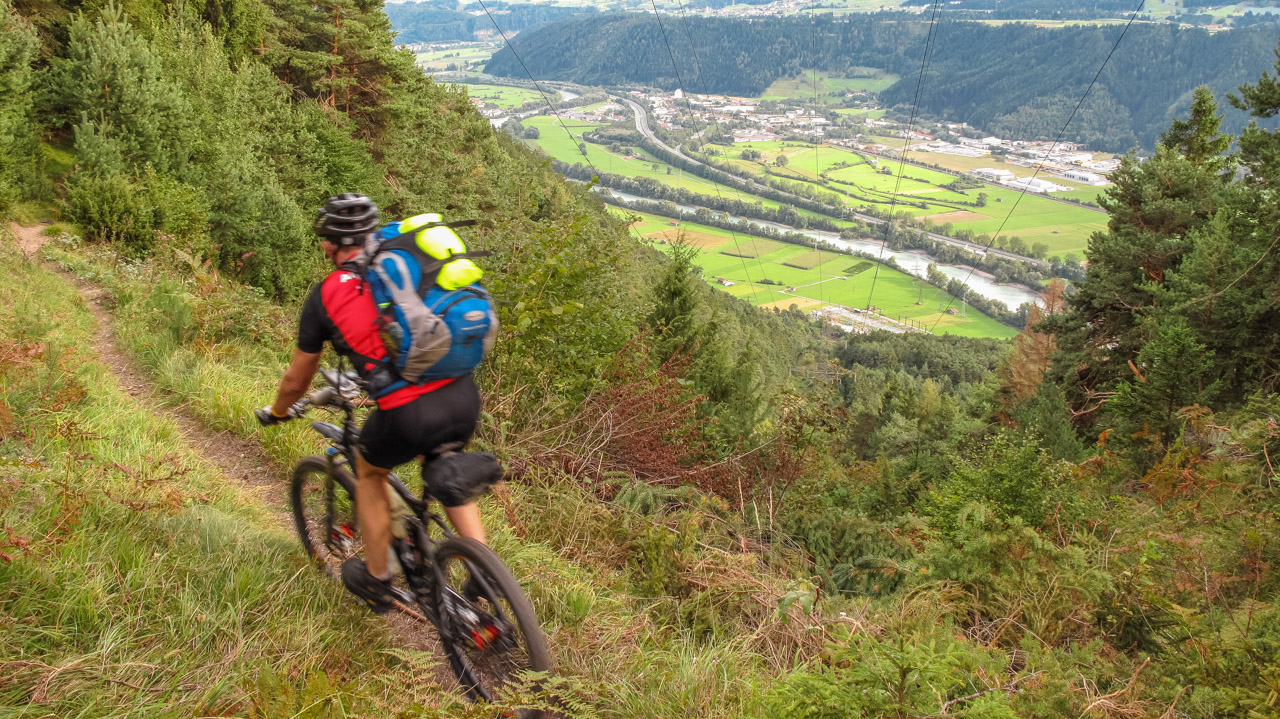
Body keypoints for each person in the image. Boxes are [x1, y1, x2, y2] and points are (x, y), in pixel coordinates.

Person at [257, 193, 486, 614]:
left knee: (369, 471)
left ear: (330, 245)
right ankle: (483, 571)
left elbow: (296, 380)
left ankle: (378, 579)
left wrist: (277, 411)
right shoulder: (401, 267)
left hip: (410, 413)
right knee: (445, 466)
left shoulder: (327, 294)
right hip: (463, 397)